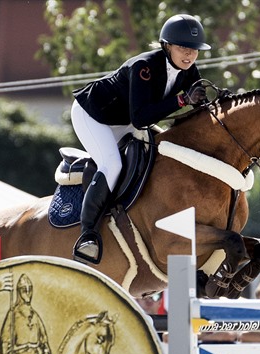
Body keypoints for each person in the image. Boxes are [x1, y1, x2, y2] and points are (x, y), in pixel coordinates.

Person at [71, 14, 211, 264]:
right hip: (93, 115)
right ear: (167, 46)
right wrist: (181, 100)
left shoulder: (189, 70)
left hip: (123, 119)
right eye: (182, 48)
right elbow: (140, 119)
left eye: (194, 50)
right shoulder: (144, 67)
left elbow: (205, 109)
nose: (189, 55)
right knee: (112, 164)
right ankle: (88, 235)